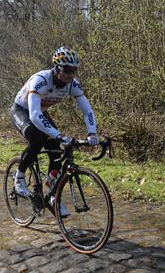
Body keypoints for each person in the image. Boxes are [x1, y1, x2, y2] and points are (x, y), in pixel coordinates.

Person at [10, 46, 99, 217]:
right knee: (37, 140)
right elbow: (34, 115)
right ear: (57, 68)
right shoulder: (41, 80)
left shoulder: (72, 84)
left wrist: (92, 132)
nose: (71, 75)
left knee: (57, 151)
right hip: (22, 110)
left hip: (40, 111)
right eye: (67, 70)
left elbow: (87, 110)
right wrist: (59, 134)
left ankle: (52, 193)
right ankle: (19, 178)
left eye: (74, 71)